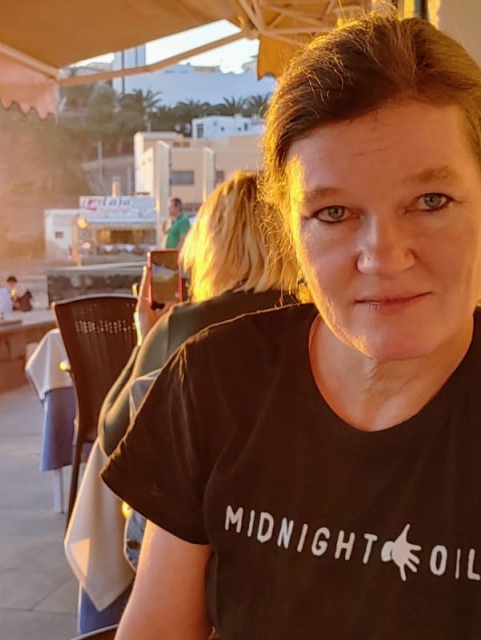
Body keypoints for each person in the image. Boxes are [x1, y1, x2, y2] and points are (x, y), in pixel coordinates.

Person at [102, 13, 481, 640]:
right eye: (334, 212)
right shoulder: (215, 379)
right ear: (291, 232)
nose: (384, 256)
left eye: (431, 202)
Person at [75, 170, 299, 633]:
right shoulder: (319, 323)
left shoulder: (186, 327)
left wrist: (147, 337)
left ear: (214, 244)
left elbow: (114, 434)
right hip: (287, 539)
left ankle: (110, 621)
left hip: (199, 540)